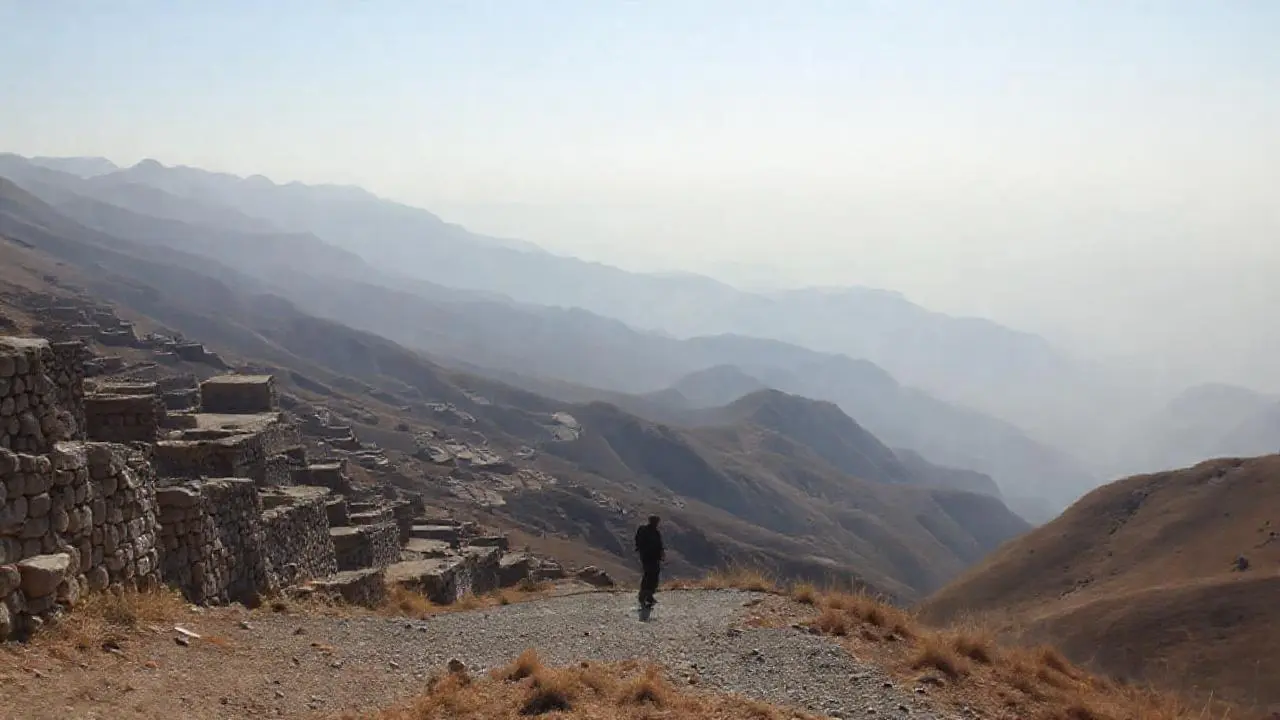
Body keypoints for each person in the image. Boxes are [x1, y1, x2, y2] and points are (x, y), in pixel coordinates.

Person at [634, 515, 665, 608]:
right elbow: (639, 542)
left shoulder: (656, 532)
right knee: (648, 574)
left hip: (654, 557)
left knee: (654, 575)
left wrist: (661, 553)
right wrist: (643, 550)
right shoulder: (644, 530)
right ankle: (643, 594)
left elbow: (659, 544)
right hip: (647, 557)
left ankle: (649, 595)